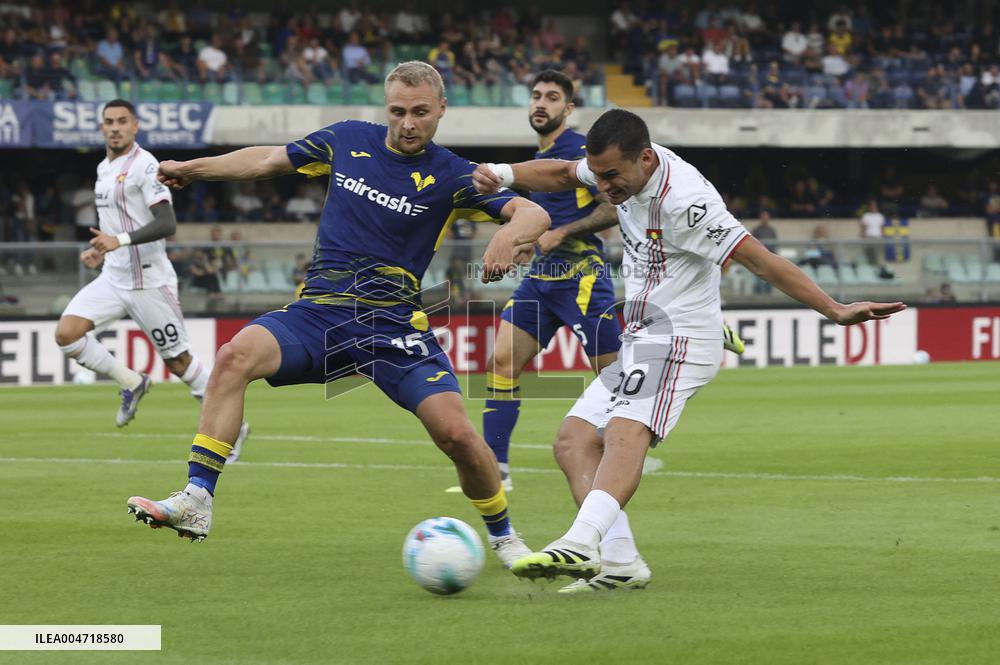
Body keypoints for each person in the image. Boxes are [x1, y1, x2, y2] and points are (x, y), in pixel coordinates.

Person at [125, 63, 550, 572]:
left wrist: (507, 235)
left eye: (419, 112)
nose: (408, 123)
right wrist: (195, 169)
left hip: (393, 330)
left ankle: (505, 539)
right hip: (320, 315)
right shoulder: (347, 140)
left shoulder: (454, 174)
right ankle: (197, 499)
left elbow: (533, 214)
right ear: (385, 107)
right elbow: (266, 160)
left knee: (458, 436)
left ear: (440, 109)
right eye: (397, 112)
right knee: (233, 356)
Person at [473, 109, 905, 592]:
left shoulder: (688, 202)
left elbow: (760, 260)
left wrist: (833, 309)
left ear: (646, 158)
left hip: (681, 338)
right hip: (643, 336)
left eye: (614, 176)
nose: (605, 188)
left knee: (625, 428)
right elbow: (557, 170)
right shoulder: (613, 171)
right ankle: (621, 563)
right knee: (573, 441)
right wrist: (504, 174)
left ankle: (582, 539)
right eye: (599, 176)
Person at [451, 70, 622, 496]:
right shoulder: (539, 155)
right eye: (535, 96)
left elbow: (613, 209)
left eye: (551, 97)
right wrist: (528, 245)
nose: (540, 103)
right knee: (502, 363)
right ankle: (497, 470)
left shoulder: (580, 151)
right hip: (541, 279)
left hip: (583, 276)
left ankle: (621, 455)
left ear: (569, 108)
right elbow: (543, 222)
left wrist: (562, 234)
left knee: (615, 378)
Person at [53, 99, 249, 459]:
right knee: (67, 334)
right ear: (101, 128)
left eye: (122, 121)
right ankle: (131, 381)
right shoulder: (103, 168)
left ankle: (233, 429)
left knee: (180, 364)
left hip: (148, 281)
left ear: (135, 126)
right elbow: (116, 227)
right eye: (109, 122)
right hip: (114, 277)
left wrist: (120, 241)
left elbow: (166, 224)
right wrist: (102, 249)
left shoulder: (146, 166)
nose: (115, 127)